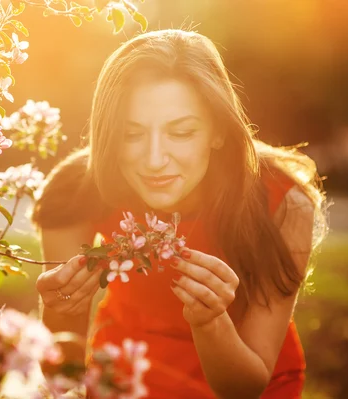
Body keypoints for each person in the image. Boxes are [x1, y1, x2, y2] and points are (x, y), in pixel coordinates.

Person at [32, 29, 328, 399]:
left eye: (182, 132)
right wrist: (58, 314)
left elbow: (247, 385)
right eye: (131, 134)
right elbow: (64, 376)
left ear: (217, 131)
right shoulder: (73, 193)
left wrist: (210, 321)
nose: (155, 160)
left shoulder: (282, 203)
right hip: (126, 378)